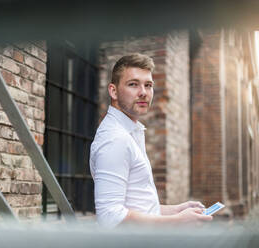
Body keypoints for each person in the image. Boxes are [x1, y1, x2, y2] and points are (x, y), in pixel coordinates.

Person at [90, 53, 213, 227]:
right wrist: (178, 221)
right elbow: (110, 217)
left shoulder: (129, 132)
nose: (143, 93)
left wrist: (178, 210)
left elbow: (140, 206)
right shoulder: (115, 140)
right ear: (113, 91)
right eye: (133, 84)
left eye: (148, 85)